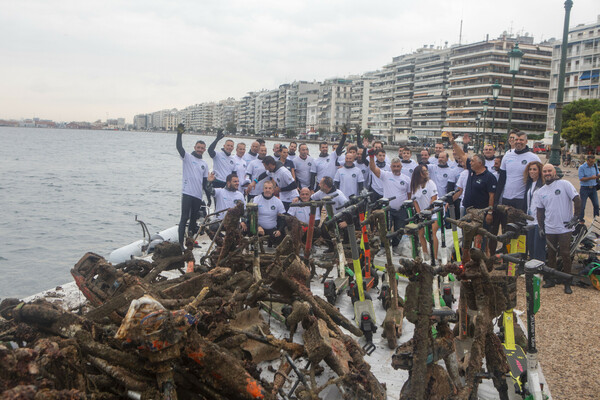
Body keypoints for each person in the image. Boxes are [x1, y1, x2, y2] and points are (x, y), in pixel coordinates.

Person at [537, 163, 581, 294]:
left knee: (565, 254)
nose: (547, 173)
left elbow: (577, 199)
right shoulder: (541, 191)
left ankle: (567, 282)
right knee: (551, 254)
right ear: (542, 174)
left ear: (554, 172)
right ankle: (551, 279)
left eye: (549, 171)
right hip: (550, 227)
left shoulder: (565, 184)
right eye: (545, 171)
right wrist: (540, 226)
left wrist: (576, 216)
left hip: (565, 227)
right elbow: (540, 211)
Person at [369, 153, 411, 254]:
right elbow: (373, 168)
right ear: (390, 167)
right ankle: (384, 247)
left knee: (399, 229)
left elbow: (409, 194)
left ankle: (395, 247)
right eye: (394, 166)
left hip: (401, 209)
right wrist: (371, 156)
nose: (396, 168)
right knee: (385, 228)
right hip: (388, 208)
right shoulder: (386, 175)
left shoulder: (406, 179)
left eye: (398, 166)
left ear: (401, 167)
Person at [175, 124, 210, 247]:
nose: (200, 149)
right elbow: (179, 147)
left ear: (204, 150)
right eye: (198, 147)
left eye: (202, 148)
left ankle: (190, 241)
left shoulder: (204, 164)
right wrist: (179, 134)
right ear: (195, 147)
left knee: (193, 220)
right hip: (187, 193)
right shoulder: (187, 157)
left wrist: (209, 198)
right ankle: (180, 244)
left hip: (197, 195)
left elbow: (205, 183)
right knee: (184, 218)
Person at [496, 130, 541, 211]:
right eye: (516, 140)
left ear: (526, 141)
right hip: (506, 197)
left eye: (521, 140)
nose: (518, 142)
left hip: (522, 199)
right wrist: (496, 200)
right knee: (505, 223)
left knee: (519, 223)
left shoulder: (533, 157)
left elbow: (539, 178)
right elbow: (502, 179)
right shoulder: (507, 156)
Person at [411, 164, 439, 261]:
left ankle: (434, 257)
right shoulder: (415, 186)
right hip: (422, 214)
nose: (426, 172)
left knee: (432, 233)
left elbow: (434, 198)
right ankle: (425, 254)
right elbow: (415, 201)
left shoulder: (430, 183)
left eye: (426, 170)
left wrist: (429, 211)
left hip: (433, 213)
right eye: (423, 171)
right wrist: (419, 213)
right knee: (421, 233)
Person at [523, 161, 545, 261]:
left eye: (534, 169)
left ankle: (539, 272)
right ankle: (531, 271)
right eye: (530, 169)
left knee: (538, 248)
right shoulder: (530, 184)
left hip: (538, 221)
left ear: (540, 171)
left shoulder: (542, 185)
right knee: (530, 246)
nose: (532, 171)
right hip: (530, 219)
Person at [254, 180, 286, 246]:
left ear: (273, 190)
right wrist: (258, 226)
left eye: (270, 188)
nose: (267, 190)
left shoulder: (278, 201)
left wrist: (279, 230)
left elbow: (283, 218)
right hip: (259, 228)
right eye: (266, 188)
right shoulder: (256, 199)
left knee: (280, 236)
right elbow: (251, 216)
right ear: (263, 189)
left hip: (272, 229)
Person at [577, 154, 600, 221]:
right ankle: (581, 219)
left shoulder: (595, 166)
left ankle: (596, 219)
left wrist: (598, 175)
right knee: (582, 205)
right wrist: (591, 178)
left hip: (593, 188)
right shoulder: (582, 167)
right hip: (585, 188)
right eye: (590, 162)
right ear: (587, 161)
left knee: (596, 205)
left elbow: (597, 173)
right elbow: (581, 178)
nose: (592, 163)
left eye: (593, 161)